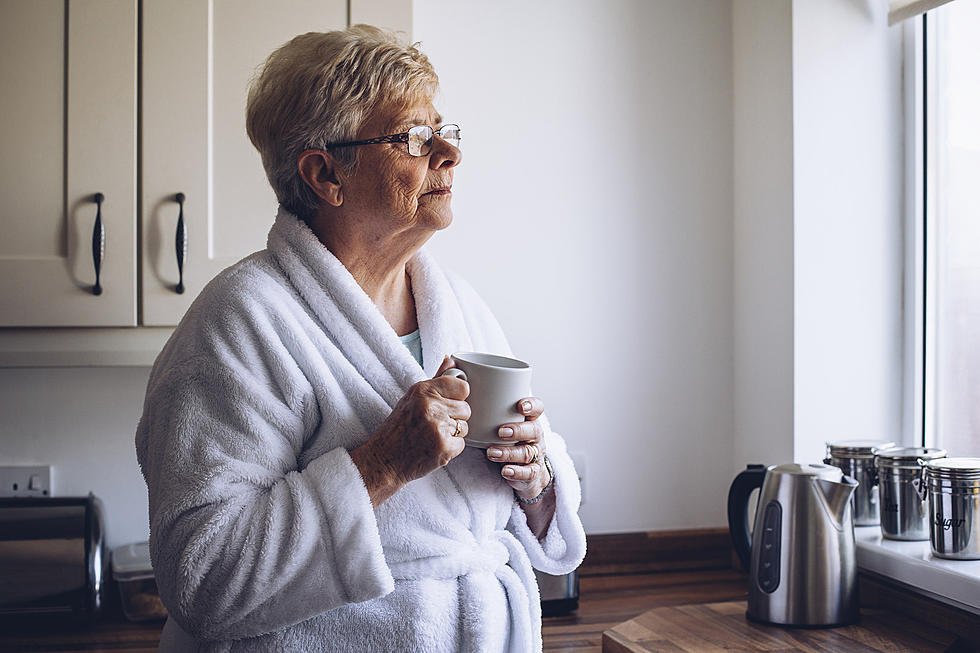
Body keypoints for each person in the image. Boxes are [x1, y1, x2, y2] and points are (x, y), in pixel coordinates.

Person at [136, 25, 586, 653]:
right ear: (325, 174)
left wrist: (534, 478)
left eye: (443, 131)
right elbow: (203, 577)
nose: (449, 155)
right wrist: (380, 465)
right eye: (412, 137)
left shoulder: (458, 306)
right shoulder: (239, 323)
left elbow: (510, 517)